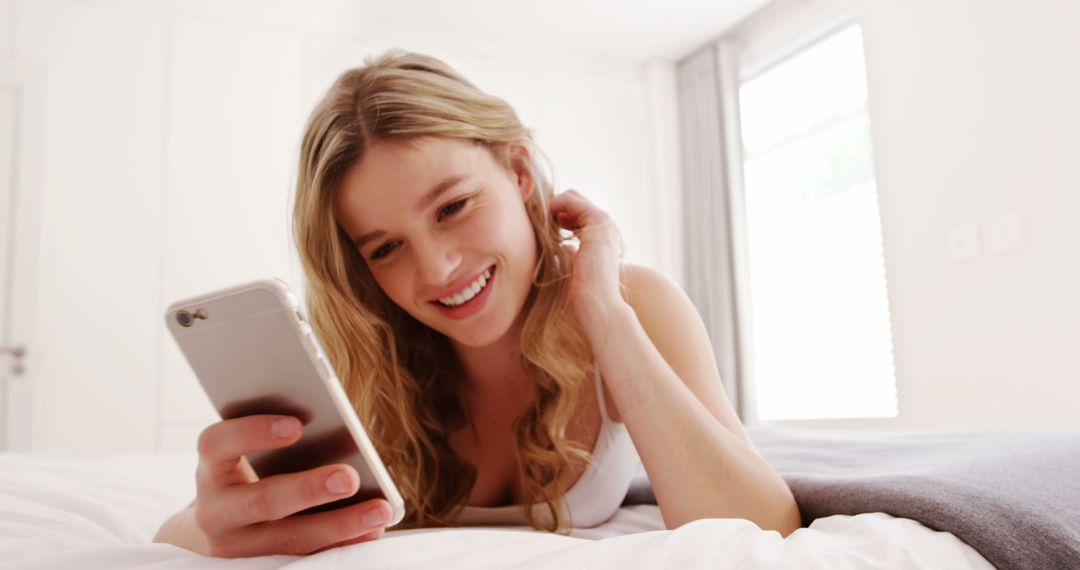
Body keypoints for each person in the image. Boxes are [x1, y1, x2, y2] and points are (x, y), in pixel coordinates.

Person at [153, 50, 801, 558]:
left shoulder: (635, 302)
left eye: (454, 207)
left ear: (519, 172)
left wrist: (604, 317)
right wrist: (219, 520)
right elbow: (176, 533)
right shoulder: (354, 353)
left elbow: (763, 526)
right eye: (384, 249)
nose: (435, 269)